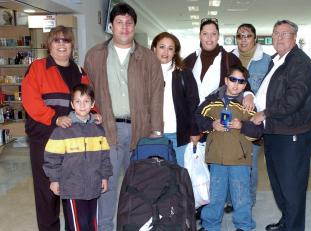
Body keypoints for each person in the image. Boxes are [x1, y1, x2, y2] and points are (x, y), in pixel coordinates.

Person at [84, 2, 164, 230]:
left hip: (139, 130)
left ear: (135, 27)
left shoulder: (148, 57)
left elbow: (157, 94)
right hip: (106, 129)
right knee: (105, 185)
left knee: (137, 185)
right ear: (111, 26)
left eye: (129, 23)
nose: (124, 27)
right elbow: (86, 91)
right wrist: (89, 119)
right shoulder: (95, 55)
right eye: (119, 22)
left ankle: (133, 225)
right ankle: (106, 227)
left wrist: (156, 131)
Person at [22, 25, 95, 231]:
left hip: (72, 144)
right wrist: (54, 118)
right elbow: (30, 101)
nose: (61, 44)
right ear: (49, 45)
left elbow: (87, 99)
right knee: (47, 196)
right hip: (45, 141)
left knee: (71, 194)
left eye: (66, 40)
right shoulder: (37, 68)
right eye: (57, 40)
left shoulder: (80, 72)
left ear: (72, 45)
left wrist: (94, 113)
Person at [251, 20, 311, 231]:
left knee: (291, 187)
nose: (279, 38)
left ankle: (294, 227)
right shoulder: (278, 59)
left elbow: (293, 100)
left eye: (284, 34)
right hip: (275, 131)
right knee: (279, 185)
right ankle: (287, 221)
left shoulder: (300, 63)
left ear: (294, 37)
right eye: (276, 33)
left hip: (291, 135)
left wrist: (265, 112)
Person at [196, 65, 263, 231]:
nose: (236, 84)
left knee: (241, 195)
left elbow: (258, 131)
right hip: (216, 158)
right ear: (226, 80)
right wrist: (211, 124)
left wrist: (242, 126)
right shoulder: (211, 102)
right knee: (216, 194)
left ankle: (244, 225)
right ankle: (210, 225)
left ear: (245, 85)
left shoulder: (247, 106)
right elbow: (197, 116)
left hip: (239, 159)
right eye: (233, 79)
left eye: (241, 82)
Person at [43, 84, 113, 231]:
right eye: (78, 101)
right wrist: (54, 180)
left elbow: (105, 157)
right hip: (72, 188)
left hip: (93, 186)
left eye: (86, 101)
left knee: (91, 224)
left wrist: (104, 177)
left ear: (93, 104)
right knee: (78, 226)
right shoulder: (62, 131)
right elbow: (51, 158)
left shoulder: (98, 130)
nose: (82, 105)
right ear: (72, 104)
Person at [232, 23, 271, 207]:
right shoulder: (229, 58)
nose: (244, 39)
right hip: (231, 118)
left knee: (250, 164)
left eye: (247, 35)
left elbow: (271, 92)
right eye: (240, 36)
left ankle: (247, 202)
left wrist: (264, 115)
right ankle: (232, 200)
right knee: (231, 161)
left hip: (253, 121)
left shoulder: (266, 61)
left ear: (255, 38)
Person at [151, 32, 200, 167]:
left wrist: (195, 131)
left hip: (179, 135)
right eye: (162, 47)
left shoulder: (184, 73)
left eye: (170, 48)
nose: (165, 52)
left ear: (175, 52)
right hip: (153, 135)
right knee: (157, 176)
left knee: (180, 176)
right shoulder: (145, 73)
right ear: (154, 49)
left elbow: (193, 104)